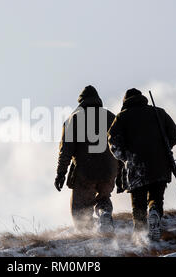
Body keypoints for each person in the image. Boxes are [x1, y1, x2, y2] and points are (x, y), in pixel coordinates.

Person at [108, 88, 176, 241]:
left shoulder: (122, 117)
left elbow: (113, 142)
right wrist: (163, 149)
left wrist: (125, 157)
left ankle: (140, 236)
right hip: (160, 164)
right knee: (156, 197)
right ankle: (154, 212)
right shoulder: (158, 112)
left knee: (138, 203)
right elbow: (174, 134)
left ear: (125, 102)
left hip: (135, 166)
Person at [54, 85, 119, 233]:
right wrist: (121, 176)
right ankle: (105, 214)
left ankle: (87, 236)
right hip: (109, 170)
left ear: (81, 102)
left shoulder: (74, 118)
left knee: (80, 210)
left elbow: (66, 151)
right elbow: (120, 148)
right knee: (104, 198)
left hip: (85, 171)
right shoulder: (111, 117)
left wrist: (61, 174)